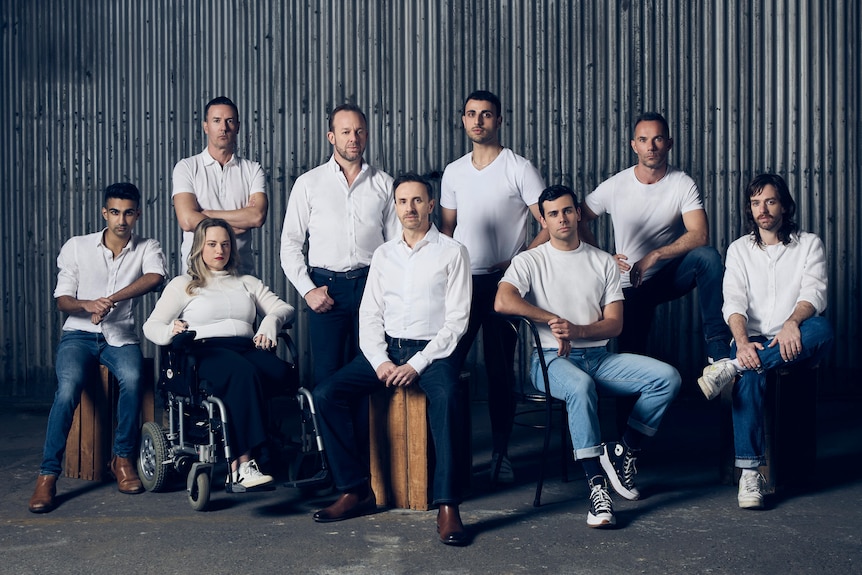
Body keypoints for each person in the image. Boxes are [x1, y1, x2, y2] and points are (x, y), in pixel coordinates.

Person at [495, 185, 681, 528]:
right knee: (580, 386)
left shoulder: (602, 262)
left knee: (667, 378)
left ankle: (624, 450)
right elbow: (503, 301)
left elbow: (615, 325)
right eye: (553, 213)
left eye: (567, 211)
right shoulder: (530, 260)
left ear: (578, 214)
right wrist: (551, 320)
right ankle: (597, 488)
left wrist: (577, 331)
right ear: (545, 221)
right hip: (551, 361)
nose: (562, 218)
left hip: (598, 358)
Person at [312, 174, 472, 546]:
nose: (410, 208)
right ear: (395, 207)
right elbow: (369, 315)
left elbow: (457, 321)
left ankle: (448, 505)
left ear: (431, 205)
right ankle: (355, 490)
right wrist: (380, 361)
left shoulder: (452, 252)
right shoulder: (384, 255)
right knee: (326, 394)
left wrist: (417, 364)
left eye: (417, 201)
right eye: (402, 201)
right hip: (386, 349)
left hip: (433, 352)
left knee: (447, 397)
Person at [696, 174, 833, 509]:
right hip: (752, 337)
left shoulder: (809, 243)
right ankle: (750, 474)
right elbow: (734, 302)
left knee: (823, 329)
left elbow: (814, 292)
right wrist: (742, 343)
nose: (763, 209)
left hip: (795, 333)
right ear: (749, 209)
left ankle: (730, 367)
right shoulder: (739, 249)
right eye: (756, 203)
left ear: (784, 205)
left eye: (770, 201)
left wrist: (791, 324)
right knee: (753, 374)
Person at [29, 183, 166, 513]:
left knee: (133, 380)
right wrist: (88, 304)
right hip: (78, 335)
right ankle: (47, 476)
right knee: (68, 390)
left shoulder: (148, 246)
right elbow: (62, 299)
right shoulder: (77, 247)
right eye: (115, 212)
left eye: (129, 213)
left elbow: (156, 277)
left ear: (138, 214)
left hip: (120, 337)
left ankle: (122, 460)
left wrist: (111, 300)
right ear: (105, 213)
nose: (122, 220)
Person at [440, 89, 547, 482]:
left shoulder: (518, 168)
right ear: (463, 119)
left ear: (499, 120)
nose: (478, 121)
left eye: (486, 114)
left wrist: (518, 262)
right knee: (448, 364)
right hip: (464, 283)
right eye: (471, 114)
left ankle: (501, 453)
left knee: (500, 372)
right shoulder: (453, 171)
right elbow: (447, 231)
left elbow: (549, 222)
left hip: (505, 284)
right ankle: (453, 455)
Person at [143, 218, 296, 490]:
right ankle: (242, 465)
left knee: (282, 372)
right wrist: (171, 329)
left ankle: (272, 450)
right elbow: (151, 326)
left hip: (245, 348)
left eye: (225, 244)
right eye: (212, 244)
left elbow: (284, 308)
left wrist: (270, 322)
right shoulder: (184, 284)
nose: (219, 250)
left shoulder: (246, 282)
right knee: (242, 373)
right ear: (199, 247)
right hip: (204, 352)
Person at [578, 112, 731, 363]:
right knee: (631, 360)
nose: (651, 146)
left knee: (708, 258)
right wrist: (601, 258)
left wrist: (655, 255)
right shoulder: (616, 185)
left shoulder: (682, 183)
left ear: (668, 143)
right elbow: (578, 217)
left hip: (665, 276)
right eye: (643, 139)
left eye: (658, 139)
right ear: (634, 145)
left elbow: (700, 234)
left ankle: (718, 349)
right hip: (629, 283)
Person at [281, 103, 399, 385]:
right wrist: (309, 291)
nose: (353, 139)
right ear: (331, 136)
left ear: (367, 135)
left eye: (359, 131)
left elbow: (396, 246)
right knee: (327, 374)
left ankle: (364, 432)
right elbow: (290, 245)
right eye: (345, 131)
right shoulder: (308, 183)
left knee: (371, 369)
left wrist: (391, 291)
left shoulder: (384, 184)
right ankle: (328, 431)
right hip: (326, 289)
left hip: (372, 286)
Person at [173, 96, 267, 275]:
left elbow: (256, 216)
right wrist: (236, 223)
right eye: (216, 121)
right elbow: (186, 220)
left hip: (240, 274)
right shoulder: (186, 167)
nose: (223, 127)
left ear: (237, 127)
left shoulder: (253, 170)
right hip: (196, 274)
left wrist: (207, 215)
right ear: (206, 126)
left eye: (229, 121)